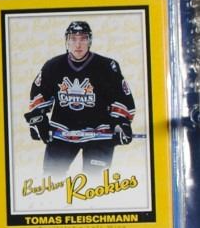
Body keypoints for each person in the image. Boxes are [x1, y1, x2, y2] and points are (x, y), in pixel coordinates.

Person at [24, 20, 135, 176]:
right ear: (66, 41)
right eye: (73, 39)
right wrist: (38, 120)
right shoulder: (53, 66)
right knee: (51, 178)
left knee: (95, 182)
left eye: (83, 38)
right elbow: (39, 95)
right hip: (61, 132)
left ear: (90, 41)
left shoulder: (107, 66)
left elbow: (122, 98)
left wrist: (121, 123)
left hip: (99, 133)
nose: (78, 44)